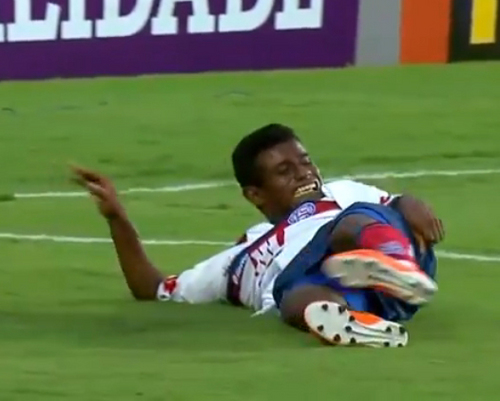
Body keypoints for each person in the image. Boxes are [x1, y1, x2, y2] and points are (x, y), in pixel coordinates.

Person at [71, 124, 444, 348]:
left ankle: (395, 265)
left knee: (353, 221)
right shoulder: (243, 255)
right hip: (351, 291)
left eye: (306, 162)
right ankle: (362, 325)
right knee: (296, 298)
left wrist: (411, 202)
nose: (304, 174)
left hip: (389, 250)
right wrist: (117, 218)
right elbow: (153, 288)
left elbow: (394, 204)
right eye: (285, 171)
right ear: (255, 194)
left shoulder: (342, 193)